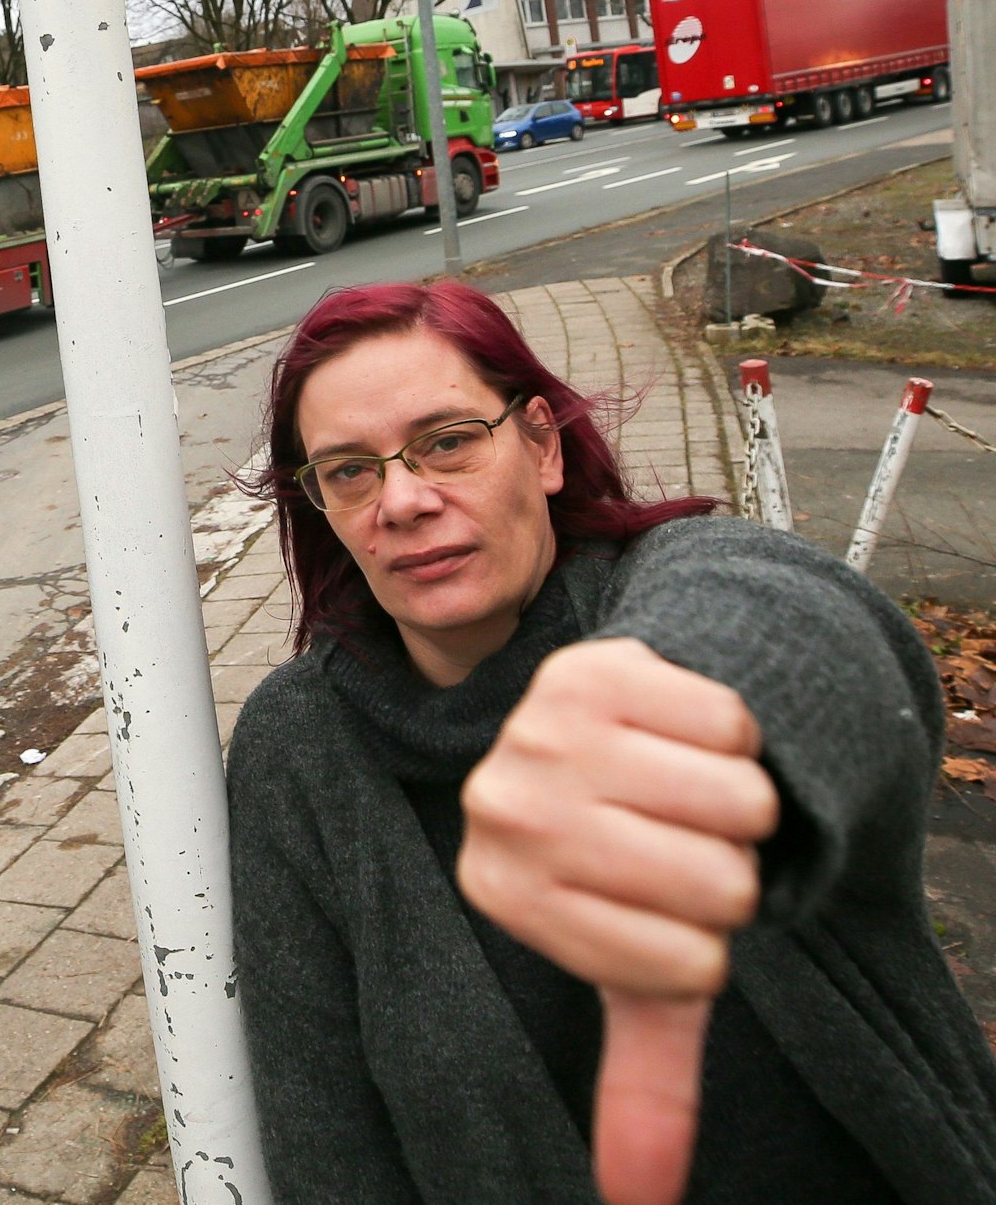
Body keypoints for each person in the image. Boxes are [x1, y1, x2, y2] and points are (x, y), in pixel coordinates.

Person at [227, 281, 996, 1205]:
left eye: (447, 443)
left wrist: (678, 701)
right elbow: (327, 1138)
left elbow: (803, 619)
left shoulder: (676, 584)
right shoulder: (298, 746)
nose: (402, 500)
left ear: (543, 444)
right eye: (350, 470)